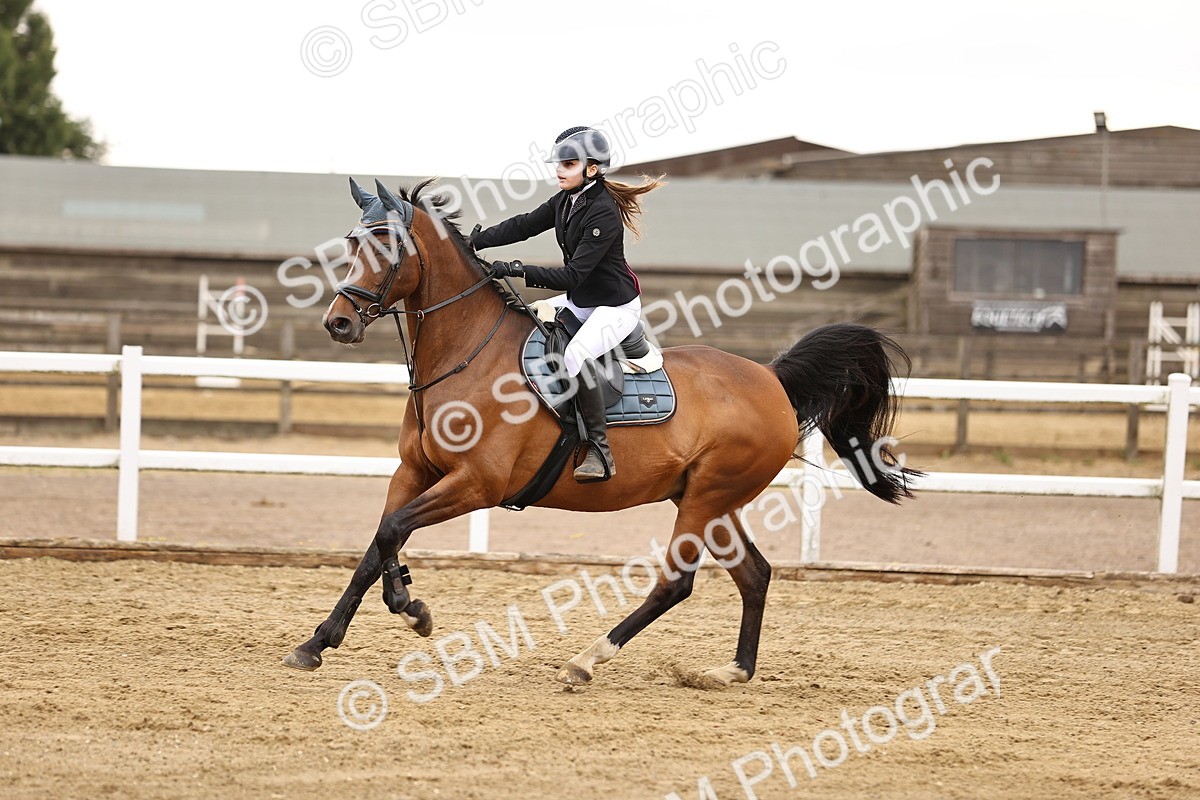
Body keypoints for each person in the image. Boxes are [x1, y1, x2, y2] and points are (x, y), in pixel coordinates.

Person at [471, 126, 664, 483]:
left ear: (592, 168)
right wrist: (476, 242)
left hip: (614, 308)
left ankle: (599, 450)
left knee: (575, 356)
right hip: (581, 300)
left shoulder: (603, 211)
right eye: (559, 163)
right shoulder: (566, 200)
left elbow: (573, 275)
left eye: (569, 164)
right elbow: (524, 225)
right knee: (528, 326)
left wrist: (515, 269)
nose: (559, 170)